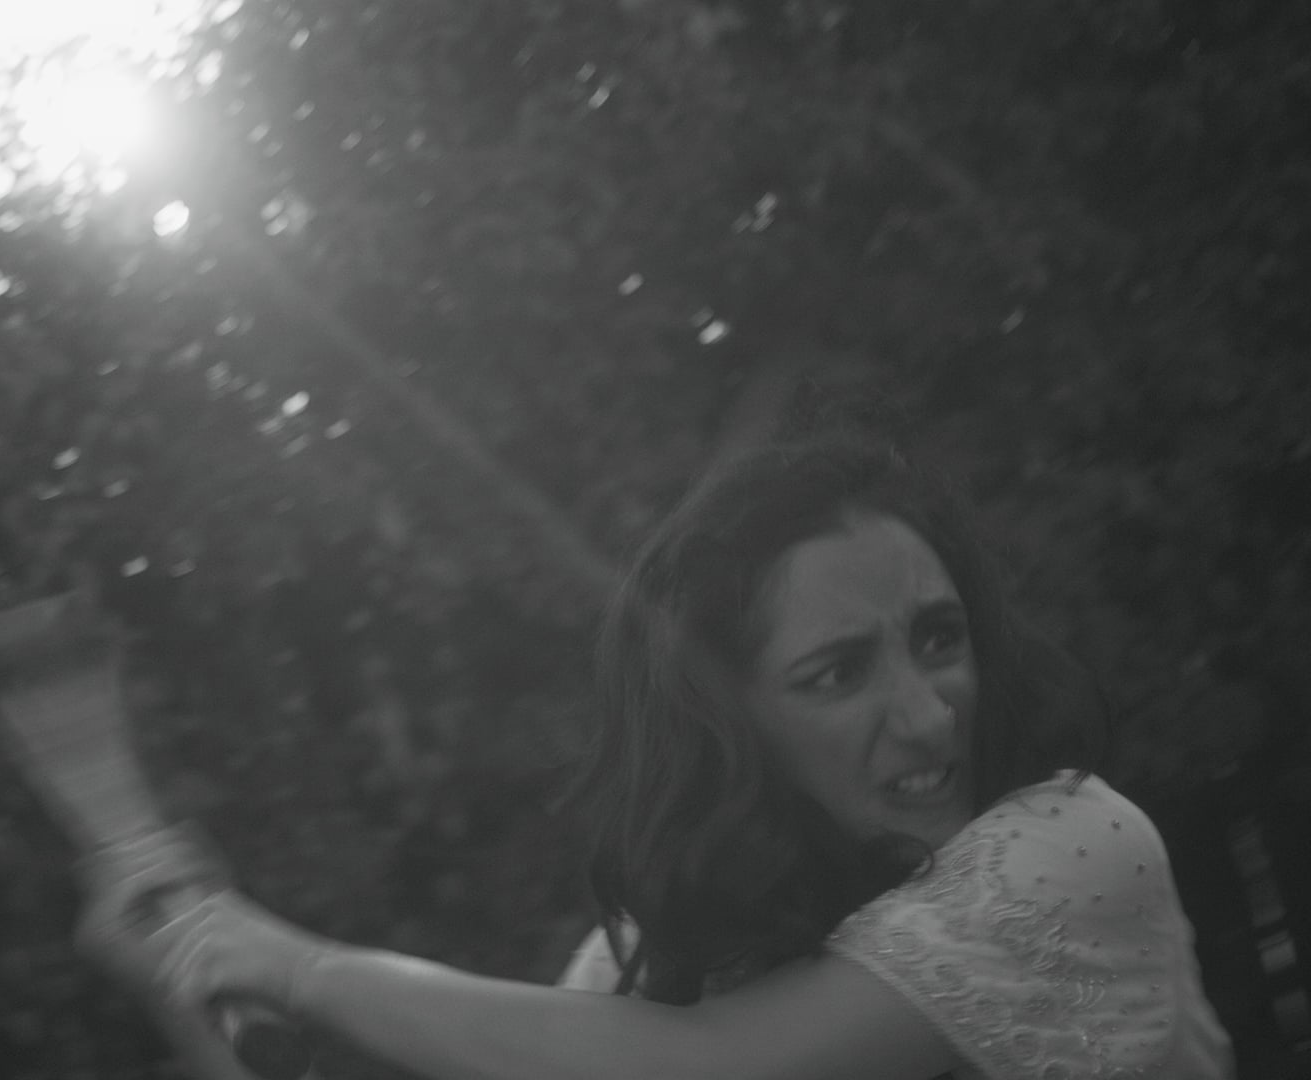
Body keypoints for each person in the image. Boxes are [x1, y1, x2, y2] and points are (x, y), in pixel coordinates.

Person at [77, 436, 1234, 1080]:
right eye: (838, 673)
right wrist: (190, 976)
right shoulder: (649, 974)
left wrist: (299, 967)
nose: (930, 715)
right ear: (731, 730)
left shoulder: (1074, 847)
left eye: (939, 639)